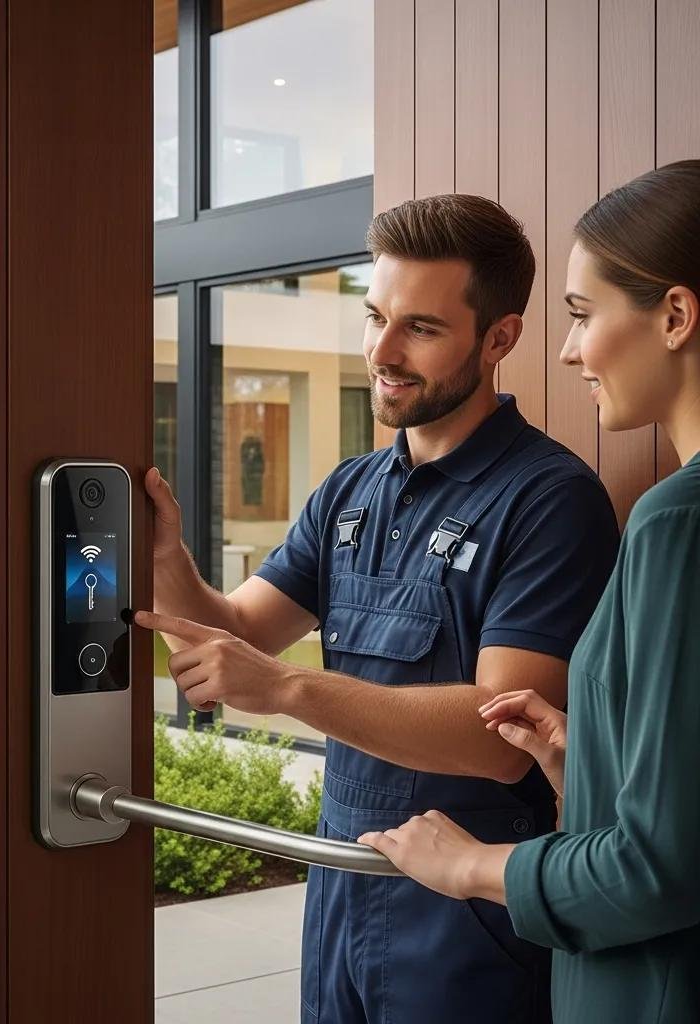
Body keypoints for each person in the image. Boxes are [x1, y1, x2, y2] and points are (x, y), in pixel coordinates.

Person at [135, 193, 621, 1023]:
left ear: (499, 338)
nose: (382, 352)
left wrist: (287, 691)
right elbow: (237, 634)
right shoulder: (350, 490)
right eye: (374, 317)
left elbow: (502, 737)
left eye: (420, 329)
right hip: (339, 886)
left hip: (468, 922)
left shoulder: (550, 500)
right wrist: (164, 556)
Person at [356, 161, 700, 1024]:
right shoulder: (353, 487)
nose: (569, 349)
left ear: (675, 316)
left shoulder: (671, 524)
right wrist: (583, 763)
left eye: (583, 315)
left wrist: (471, 866)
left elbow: (657, 872)